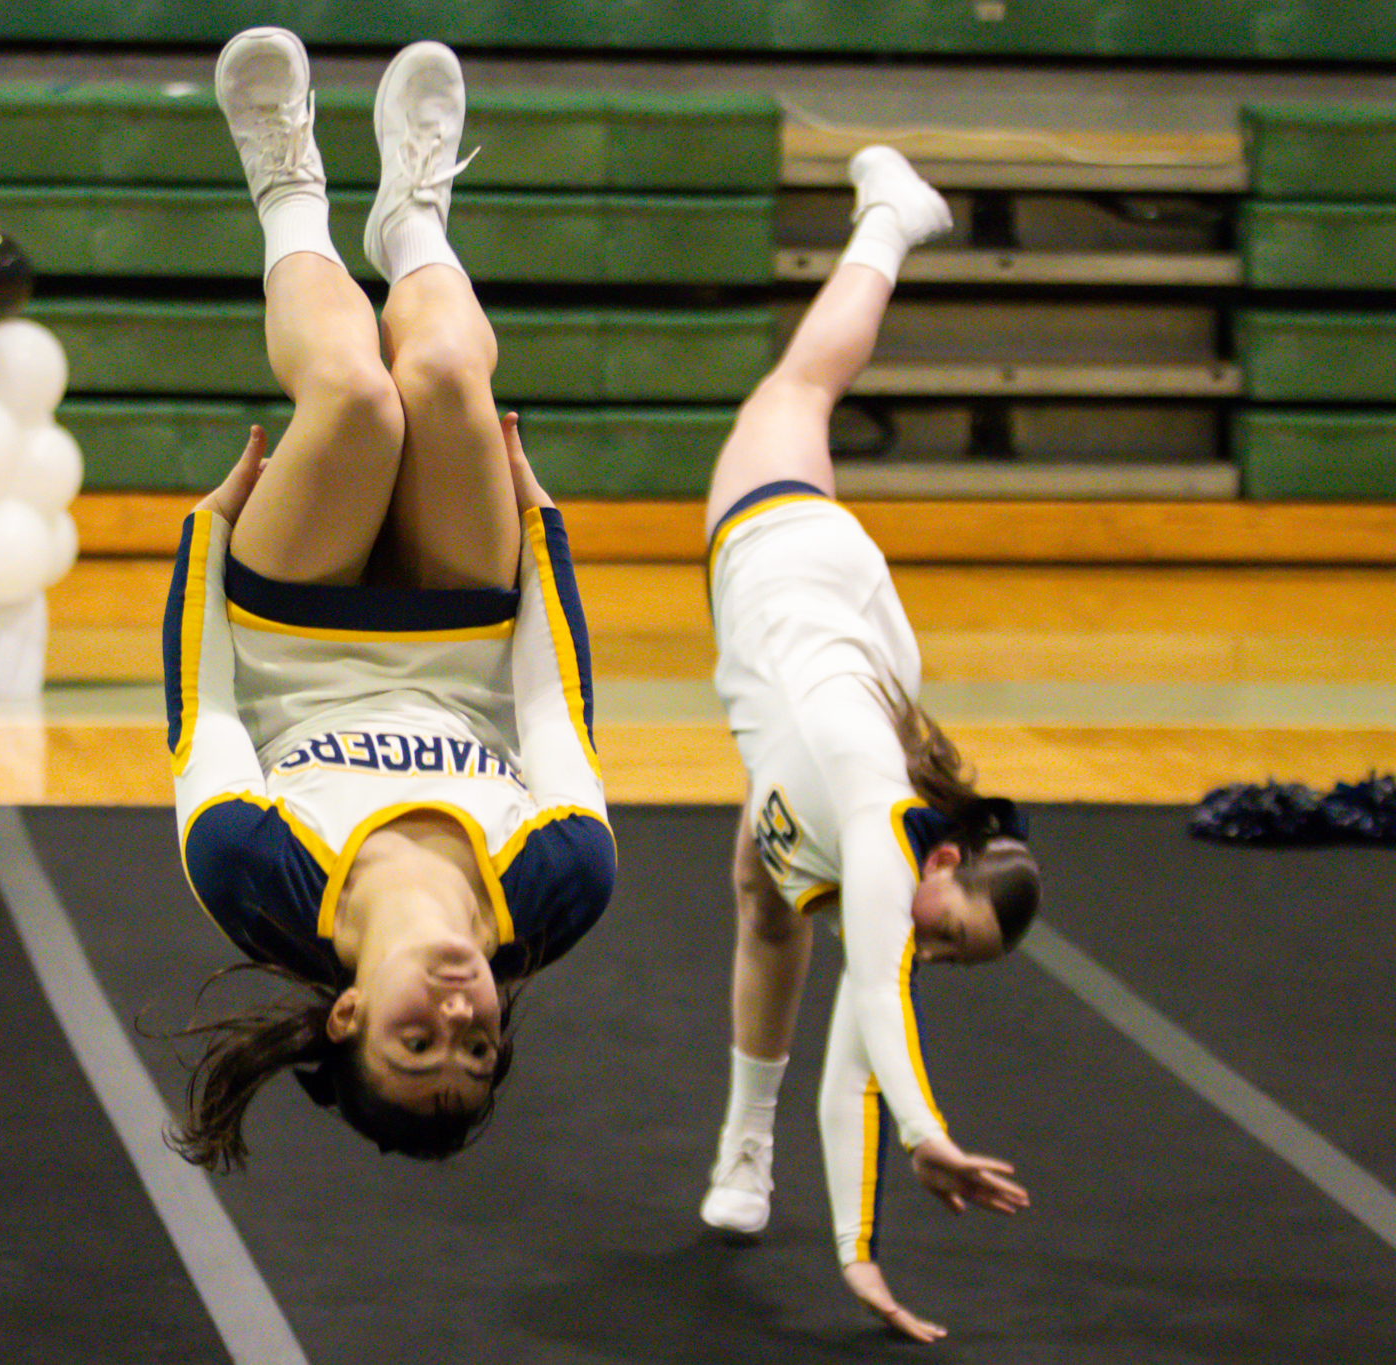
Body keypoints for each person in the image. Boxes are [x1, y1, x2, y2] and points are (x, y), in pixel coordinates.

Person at [161, 27, 615, 1171]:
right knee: (450, 379)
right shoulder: (558, 890)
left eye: (421, 1042)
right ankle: (412, 221)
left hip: (290, 632)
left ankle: (286, 184)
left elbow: (201, 721)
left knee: (359, 400)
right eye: (478, 1048)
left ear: (351, 1018)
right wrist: (541, 531)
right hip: (461, 627)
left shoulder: (257, 889)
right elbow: (554, 709)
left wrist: (205, 535)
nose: (458, 1018)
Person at [696, 145, 1041, 1342]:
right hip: (787, 555)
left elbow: (860, 1046)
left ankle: (747, 1157)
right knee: (797, 391)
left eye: (949, 958)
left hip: (850, 657)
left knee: (766, 880)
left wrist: (856, 1255)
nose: (921, 953)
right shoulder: (888, 822)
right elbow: (885, 999)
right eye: (943, 933)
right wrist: (927, 1133)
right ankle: (890, 220)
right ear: (937, 868)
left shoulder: (888, 852)